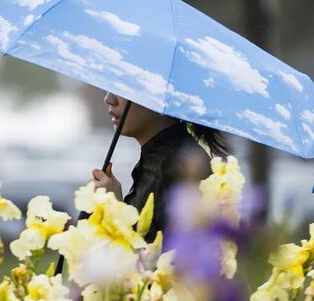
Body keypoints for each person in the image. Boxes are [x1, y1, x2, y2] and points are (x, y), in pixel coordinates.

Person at [92, 91, 230, 240]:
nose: (109, 99)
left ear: (160, 95)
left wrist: (115, 208)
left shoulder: (181, 166)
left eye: (123, 89)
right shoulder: (158, 157)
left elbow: (177, 257)